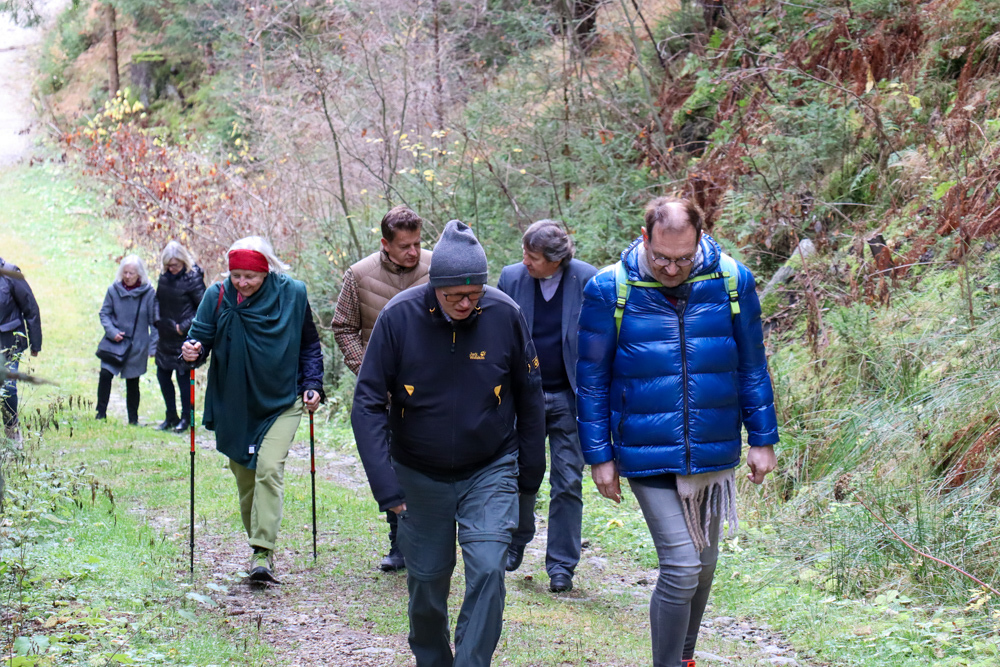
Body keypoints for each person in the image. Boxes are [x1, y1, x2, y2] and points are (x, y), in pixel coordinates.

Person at [576, 197, 779, 667]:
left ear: (700, 239)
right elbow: (591, 380)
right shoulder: (609, 288)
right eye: (662, 257)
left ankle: (684, 658)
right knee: (683, 567)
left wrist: (763, 439)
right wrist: (599, 455)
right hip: (644, 450)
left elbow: (752, 365)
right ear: (645, 238)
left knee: (703, 567)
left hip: (711, 450)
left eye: (683, 259)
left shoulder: (731, 280)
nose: (671, 269)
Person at [352, 220, 545, 667]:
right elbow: (366, 404)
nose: (465, 303)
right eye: (454, 295)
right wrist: (386, 487)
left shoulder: (505, 314)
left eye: (474, 294)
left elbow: (532, 402)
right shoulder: (399, 317)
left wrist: (529, 483)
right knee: (426, 583)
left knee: (490, 569)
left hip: (491, 467)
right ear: (434, 286)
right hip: (419, 472)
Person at [182, 236, 324, 582]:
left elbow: (309, 344)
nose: (242, 283)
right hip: (235, 402)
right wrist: (192, 351)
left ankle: (262, 552)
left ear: (267, 270)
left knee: (268, 468)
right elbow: (199, 340)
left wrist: (313, 384)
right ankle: (259, 547)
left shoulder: (292, 295)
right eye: (236, 276)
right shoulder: (217, 296)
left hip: (284, 399)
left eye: (250, 276)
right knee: (245, 479)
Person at [497, 220, 596, 593]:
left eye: (533, 257)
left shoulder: (587, 280)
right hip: (525, 397)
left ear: (556, 259)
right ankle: (516, 539)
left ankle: (561, 565)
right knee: (519, 472)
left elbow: (602, 340)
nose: (525, 262)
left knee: (568, 481)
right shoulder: (511, 278)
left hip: (570, 397)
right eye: (524, 253)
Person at [332, 204, 432, 572]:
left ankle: (433, 539)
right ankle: (400, 543)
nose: (413, 252)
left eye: (417, 243)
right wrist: (369, 372)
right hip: (385, 393)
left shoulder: (436, 268)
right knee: (393, 465)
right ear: (385, 244)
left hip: (431, 390)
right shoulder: (358, 275)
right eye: (405, 246)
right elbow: (343, 327)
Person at [96, 255, 158, 425]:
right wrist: (112, 332)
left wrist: (153, 347)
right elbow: (104, 313)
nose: (128, 276)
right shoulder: (113, 290)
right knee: (105, 374)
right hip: (114, 343)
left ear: (139, 275)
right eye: (125, 272)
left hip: (137, 345)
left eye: (131, 273)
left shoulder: (149, 293)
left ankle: (133, 419)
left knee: (133, 382)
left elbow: (154, 322)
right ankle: (100, 413)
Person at [153, 241, 206, 432]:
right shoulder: (164, 277)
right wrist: (157, 320)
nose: (171, 269)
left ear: (183, 261)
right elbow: (157, 299)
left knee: (184, 380)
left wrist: (182, 328)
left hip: (184, 337)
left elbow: (203, 308)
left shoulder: (193, 278)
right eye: (168, 265)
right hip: (165, 335)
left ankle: (186, 418)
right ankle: (171, 416)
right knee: (162, 376)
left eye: (174, 265)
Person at [0, 257, 42, 441]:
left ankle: (12, 433)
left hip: (10, 342)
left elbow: (31, 308)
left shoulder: (11, 274)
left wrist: (35, 343)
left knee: (8, 387)